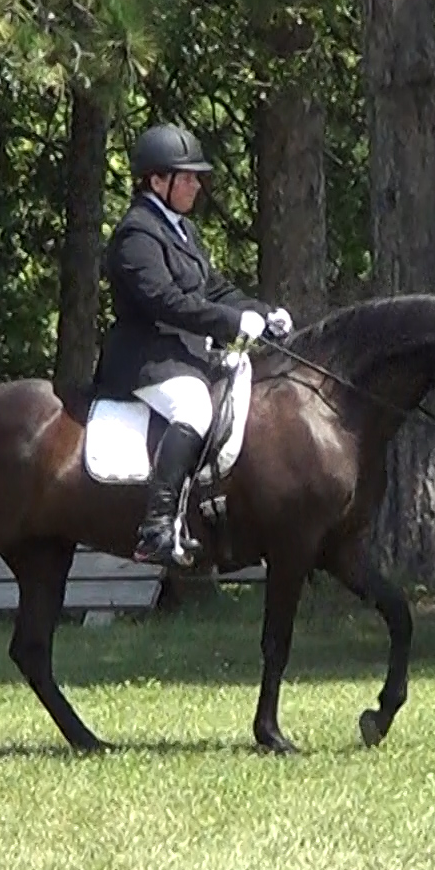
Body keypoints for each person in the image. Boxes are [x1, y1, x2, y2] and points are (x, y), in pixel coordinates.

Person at [96, 123, 292, 565]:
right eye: (187, 177)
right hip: (145, 359)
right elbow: (165, 301)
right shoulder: (136, 235)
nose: (196, 185)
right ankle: (157, 527)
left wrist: (262, 312)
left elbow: (215, 289)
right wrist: (229, 323)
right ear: (156, 181)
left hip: (182, 355)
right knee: (195, 409)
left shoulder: (181, 231)